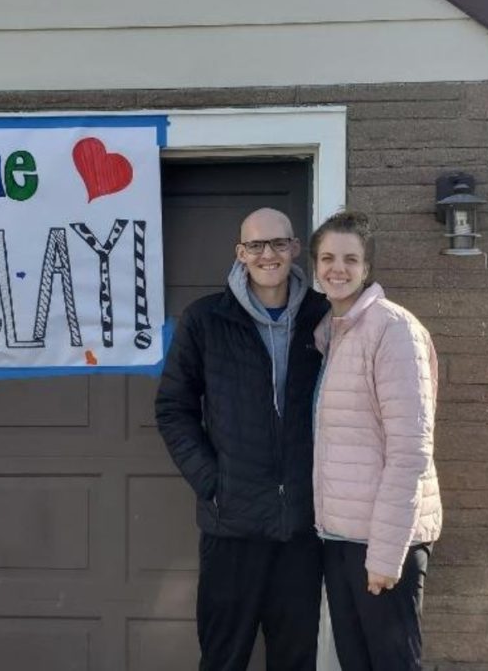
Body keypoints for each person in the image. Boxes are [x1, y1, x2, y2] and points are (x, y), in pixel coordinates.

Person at [155, 207, 329, 671]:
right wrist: (213, 482)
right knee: (223, 657)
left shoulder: (325, 315)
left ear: (295, 249)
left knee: (295, 659)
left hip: (302, 527)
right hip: (230, 526)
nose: (267, 254)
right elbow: (173, 408)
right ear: (240, 253)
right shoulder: (205, 320)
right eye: (255, 245)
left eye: (278, 243)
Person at [309, 210, 442, 671]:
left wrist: (386, 555)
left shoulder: (392, 329)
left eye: (350, 258)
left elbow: (410, 451)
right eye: (327, 258)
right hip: (341, 537)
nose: (337, 268)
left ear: (367, 268)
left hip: (383, 544)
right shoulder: (334, 334)